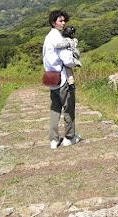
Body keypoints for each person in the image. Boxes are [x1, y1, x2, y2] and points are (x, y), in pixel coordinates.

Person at [42, 9, 81, 149]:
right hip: (63, 78)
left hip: (51, 78)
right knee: (68, 107)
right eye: (60, 20)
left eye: (64, 20)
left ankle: (53, 139)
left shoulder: (48, 38)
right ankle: (69, 137)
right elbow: (67, 60)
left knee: (55, 108)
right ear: (53, 22)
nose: (63, 23)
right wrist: (76, 60)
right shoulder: (59, 39)